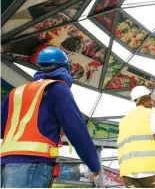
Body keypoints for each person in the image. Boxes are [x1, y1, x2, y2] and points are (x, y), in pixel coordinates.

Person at [1, 47, 101, 188]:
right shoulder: (57, 89)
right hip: (33, 162)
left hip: (5, 162)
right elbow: (76, 129)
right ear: (65, 69)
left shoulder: (16, 92)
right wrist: (93, 163)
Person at [117, 86, 155, 188]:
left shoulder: (123, 121)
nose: (152, 102)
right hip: (150, 170)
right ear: (143, 100)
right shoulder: (149, 113)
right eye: (150, 99)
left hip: (128, 172)